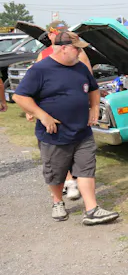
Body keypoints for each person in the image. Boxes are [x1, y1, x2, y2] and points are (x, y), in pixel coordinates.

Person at [13, 31, 119, 225]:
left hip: (82, 131)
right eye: (76, 48)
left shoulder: (81, 68)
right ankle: (57, 202)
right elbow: (20, 96)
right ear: (63, 48)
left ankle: (92, 210)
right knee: (56, 172)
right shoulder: (40, 69)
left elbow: (93, 89)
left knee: (86, 169)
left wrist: (95, 107)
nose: (80, 52)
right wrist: (43, 116)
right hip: (55, 134)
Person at [30, 20, 92, 200]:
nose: (59, 36)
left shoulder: (78, 52)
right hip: (51, 115)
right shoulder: (43, 55)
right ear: (50, 35)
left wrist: (90, 105)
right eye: (56, 33)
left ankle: (73, 180)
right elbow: (34, 86)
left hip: (76, 114)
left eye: (62, 32)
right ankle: (68, 181)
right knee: (56, 149)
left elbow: (88, 79)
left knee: (77, 146)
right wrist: (32, 110)